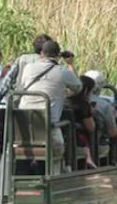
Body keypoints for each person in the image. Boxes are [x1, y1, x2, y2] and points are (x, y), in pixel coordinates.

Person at [20, 40, 83, 173]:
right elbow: (78, 88)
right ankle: (61, 174)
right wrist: (70, 64)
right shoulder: (62, 71)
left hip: (22, 130)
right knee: (62, 138)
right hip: (48, 128)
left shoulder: (28, 68)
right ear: (58, 55)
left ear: (41, 53)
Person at [0, 33, 52, 106]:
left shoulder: (22, 59)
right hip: (45, 103)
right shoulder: (52, 63)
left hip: (20, 101)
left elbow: (8, 79)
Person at [84, 70, 117, 165]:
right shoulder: (104, 106)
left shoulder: (69, 101)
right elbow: (113, 133)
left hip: (73, 144)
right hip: (96, 145)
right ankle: (115, 161)